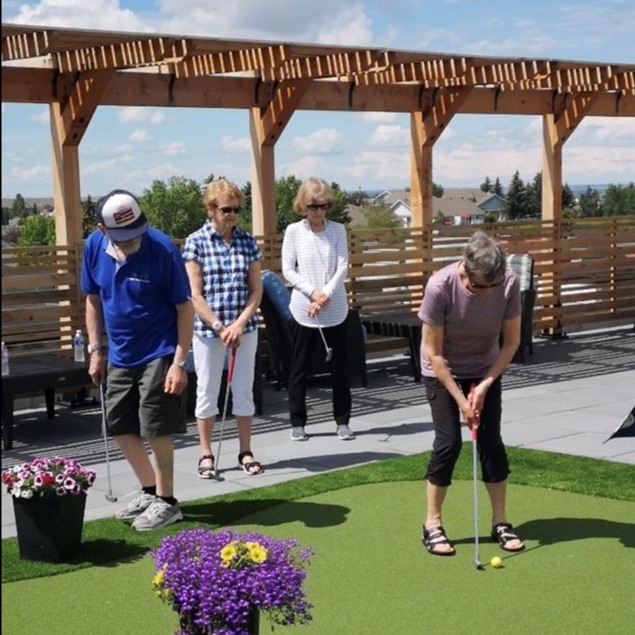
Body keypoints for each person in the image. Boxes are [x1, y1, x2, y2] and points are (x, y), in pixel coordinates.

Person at [81, 189, 194, 531]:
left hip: (159, 349)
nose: (134, 239)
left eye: (137, 231)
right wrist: (96, 349)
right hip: (119, 352)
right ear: (102, 229)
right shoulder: (93, 247)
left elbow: (184, 307)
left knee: (154, 424)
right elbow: (92, 299)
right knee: (118, 422)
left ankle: (168, 502)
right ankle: (149, 491)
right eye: (124, 235)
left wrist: (179, 362)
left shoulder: (162, 248)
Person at [419, 230, 525, 556]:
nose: (487, 292)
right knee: (448, 443)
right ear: (464, 268)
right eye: (480, 286)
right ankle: (432, 524)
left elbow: (511, 342)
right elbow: (434, 353)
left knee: (491, 442)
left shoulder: (508, 282)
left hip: (485, 367)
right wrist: (462, 400)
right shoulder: (440, 286)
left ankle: (500, 521)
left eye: (493, 285)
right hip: (442, 370)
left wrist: (484, 385)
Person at [182, 179, 264, 478]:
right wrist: (219, 327)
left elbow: (256, 290)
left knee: (243, 389)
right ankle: (206, 453)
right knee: (207, 390)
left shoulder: (247, 241)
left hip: (244, 328)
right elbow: (195, 295)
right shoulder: (196, 241)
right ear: (211, 208)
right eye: (226, 209)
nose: (232, 215)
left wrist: (239, 324)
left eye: (236, 210)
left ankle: (245, 451)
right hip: (208, 331)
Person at [281, 177, 354, 442]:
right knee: (298, 369)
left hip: (335, 308)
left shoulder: (338, 230)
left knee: (340, 369)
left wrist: (325, 295)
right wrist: (313, 292)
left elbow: (342, 266)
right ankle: (297, 422)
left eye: (323, 206)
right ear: (303, 206)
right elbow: (288, 269)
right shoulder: (293, 231)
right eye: (313, 206)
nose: (318, 211)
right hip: (304, 310)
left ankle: (343, 421)